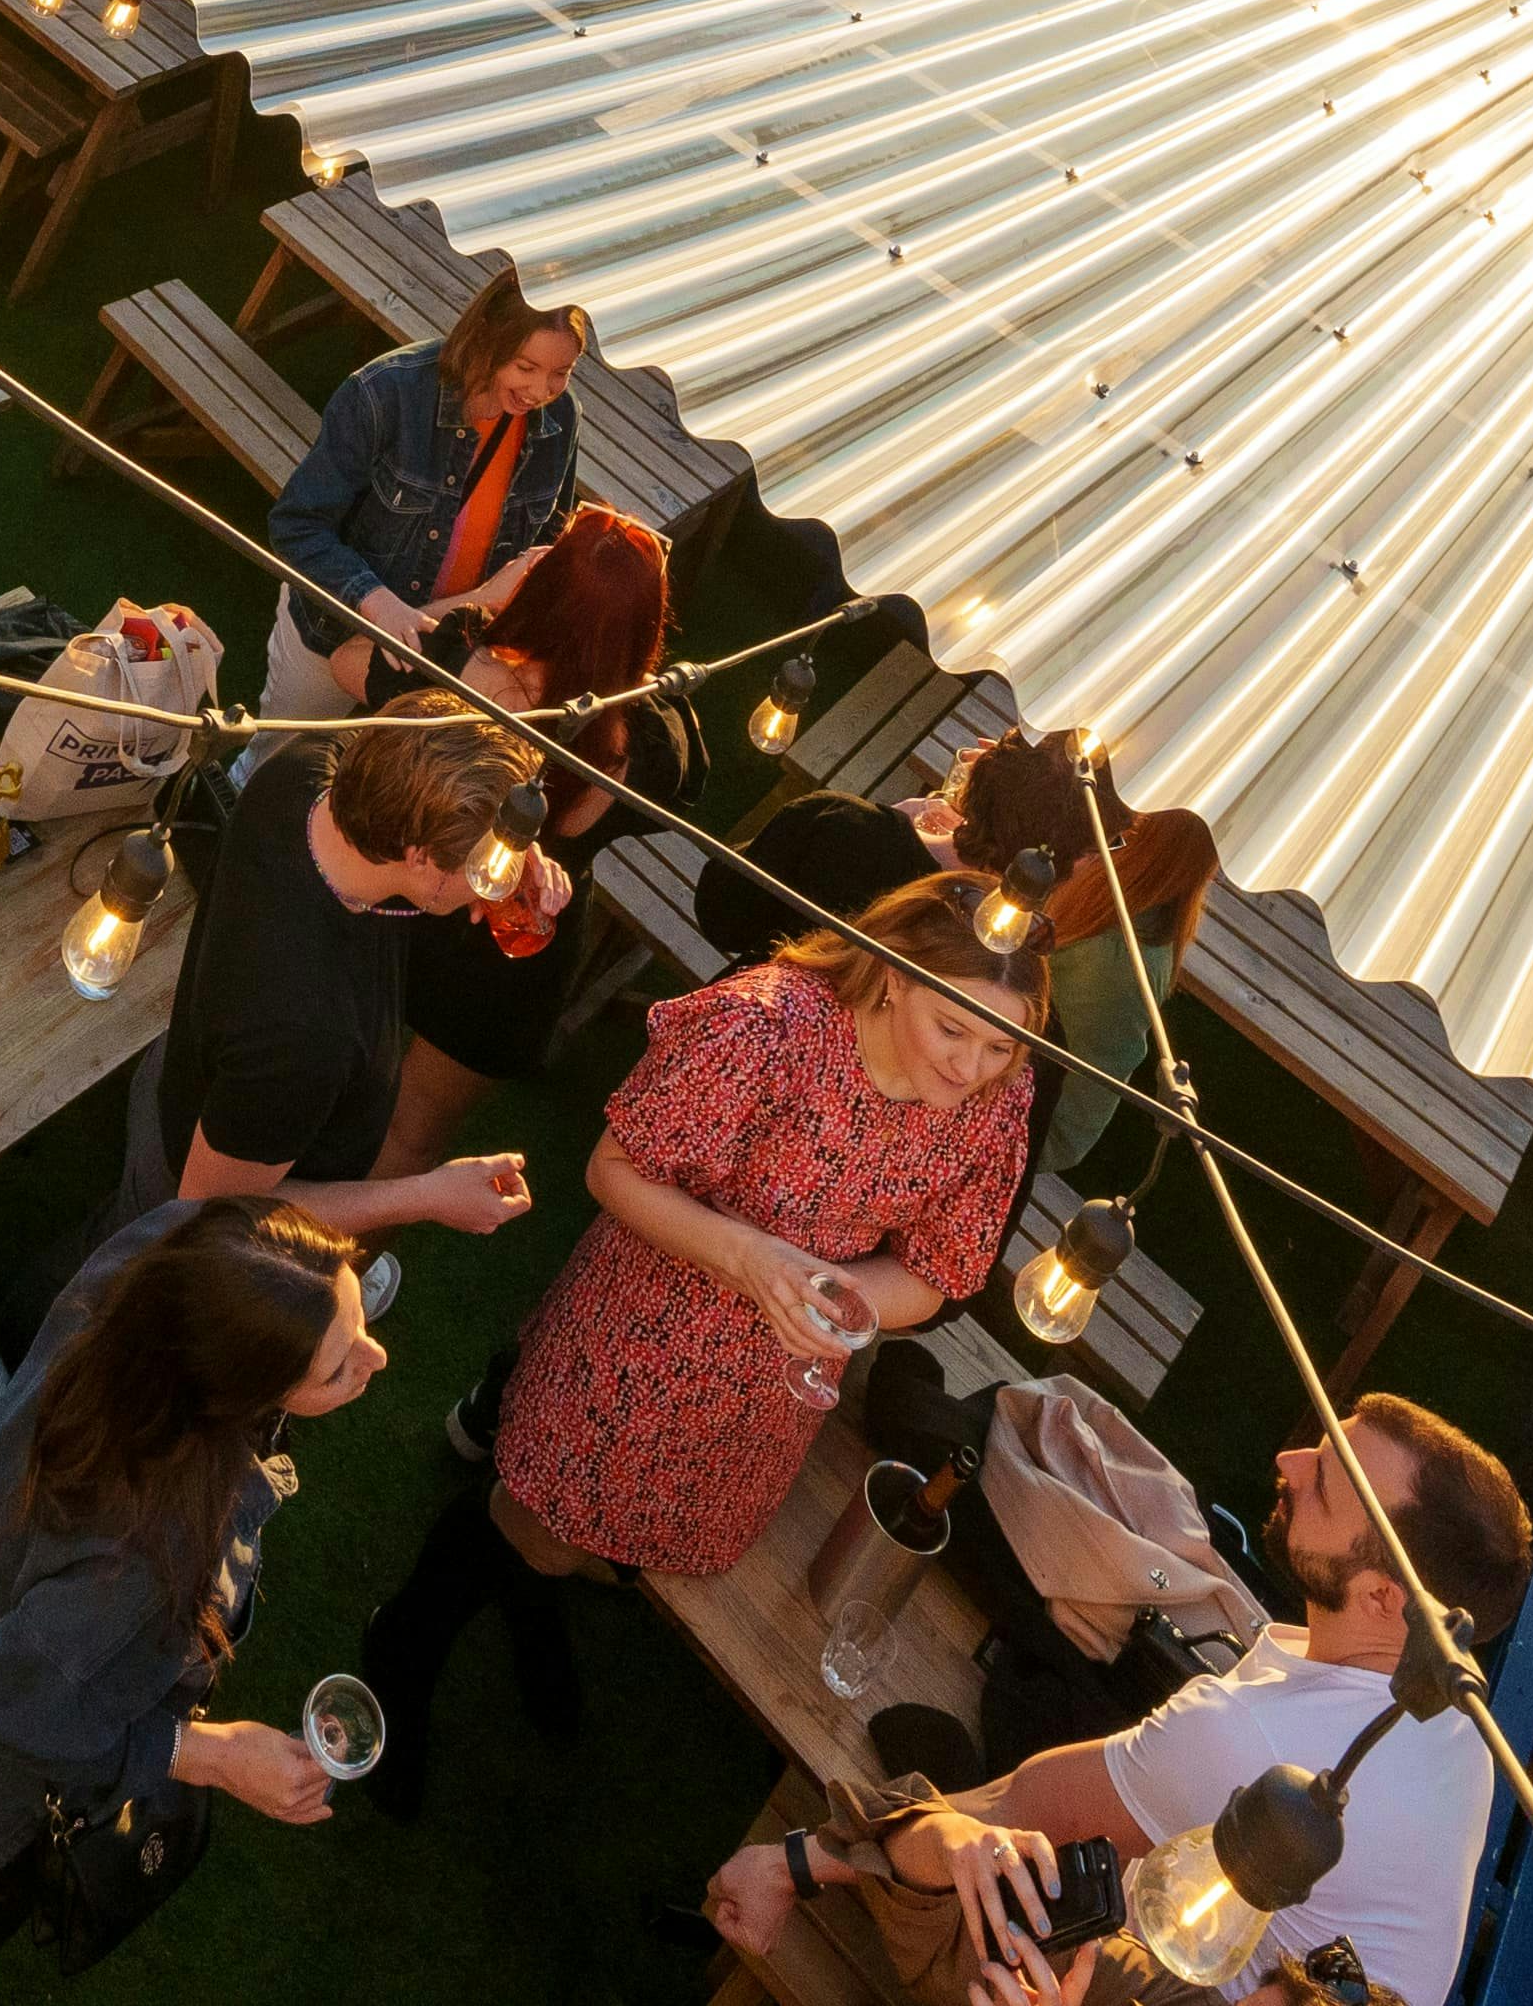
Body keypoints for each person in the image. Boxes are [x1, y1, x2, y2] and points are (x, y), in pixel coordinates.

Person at [352, 868, 1046, 1807]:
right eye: (952, 1028)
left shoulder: (999, 1097)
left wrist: (839, 1300)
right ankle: (406, 1642)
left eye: (1000, 1046)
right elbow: (613, 1171)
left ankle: (530, 1589)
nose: (971, 1069)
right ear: (892, 978)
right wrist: (754, 1260)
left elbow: (936, 1270)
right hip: (643, 1329)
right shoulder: (763, 1028)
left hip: (773, 1385)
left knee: (628, 1535)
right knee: (540, 1510)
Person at [725, 1401, 1533, 2006]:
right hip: (1242, 1947)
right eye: (1320, 1445)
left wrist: (801, 1860)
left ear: (1385, 1598)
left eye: (1322, 1484)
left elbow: (1016, 1813)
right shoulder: (1446, 1696)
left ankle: (808, 1859)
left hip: (1188, 1978)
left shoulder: (1252, 1743)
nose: (1289, 1460)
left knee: (971, 1872)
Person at [0, 1195, 379, 2006]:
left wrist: (427, 1193)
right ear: (235, 1388)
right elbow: (19, 1708)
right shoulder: (146, 1550)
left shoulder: (159, 1259)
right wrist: (218, 1757)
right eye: (336, 1365)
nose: (375, 1357)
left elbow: (250, 1246)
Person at [114, 712, 551, 1269]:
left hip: (187, 1074)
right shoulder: (306, 1034)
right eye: (489, 865)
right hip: (189, 1190)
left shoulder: (306, 773)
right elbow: (209, 1206)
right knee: (111, 1281)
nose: (500, 880)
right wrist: (425, 1196)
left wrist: (506, 841)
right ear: (419, 856)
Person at [380, 504, 673, 1173]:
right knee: (412, 1135)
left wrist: (487, 597)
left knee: (330, 1061)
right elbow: (684, 763)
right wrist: (626, 666)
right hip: (514, 951)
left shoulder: (458, 653)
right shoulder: (646, 748)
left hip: (410, 891)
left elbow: (353, 657)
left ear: (539, 585)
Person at [266, 268, 591, 717]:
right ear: (486, 337)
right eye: (525, 367)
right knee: (285, 748)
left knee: (385, 761)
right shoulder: (384, 392)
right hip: (336, 630)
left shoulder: (563, 417)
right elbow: (297, 525)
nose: (540, 391)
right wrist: (381, 606)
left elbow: (553, 530)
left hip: (448, 648)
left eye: (561, 372)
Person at [946, 732, 1212, 1197]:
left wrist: (951, 1118)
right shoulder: (1069, 864)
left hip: (962, 1134)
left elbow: (1063, 1133)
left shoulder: (1117, 961)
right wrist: (1002, 810)